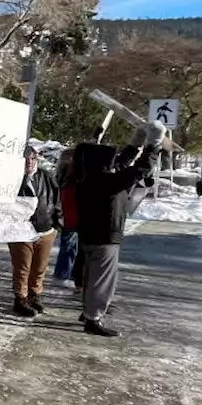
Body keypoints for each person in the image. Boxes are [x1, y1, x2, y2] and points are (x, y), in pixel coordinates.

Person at [73, 121, 164, 338]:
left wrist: (136, 142)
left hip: (89, 235)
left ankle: (88, 311)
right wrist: (153, 145)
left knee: (90, 277)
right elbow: (140, 169)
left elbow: (123, 164)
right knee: (102, 280)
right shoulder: (108, 182)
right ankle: (93, 317)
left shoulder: (88, 177)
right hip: (106, 237)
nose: (114, 162)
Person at [8, 146, 62, 317]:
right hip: (20, 231)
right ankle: (20, 299)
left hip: (45, 229)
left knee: (39, 267)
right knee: (22, 267)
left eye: (32, 158)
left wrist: (57, 225)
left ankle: (35, 295)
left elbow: (57, 199)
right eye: (25, 159)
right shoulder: (12, 178)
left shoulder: (46, 176)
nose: (29, 162)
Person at [52, 149, 79, 289]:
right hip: (71, 217)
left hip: (68, 216)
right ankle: (62, 274)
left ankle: (65, 273)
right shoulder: (72, 177)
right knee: (69, 247)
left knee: (70, 247)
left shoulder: (62, 176)